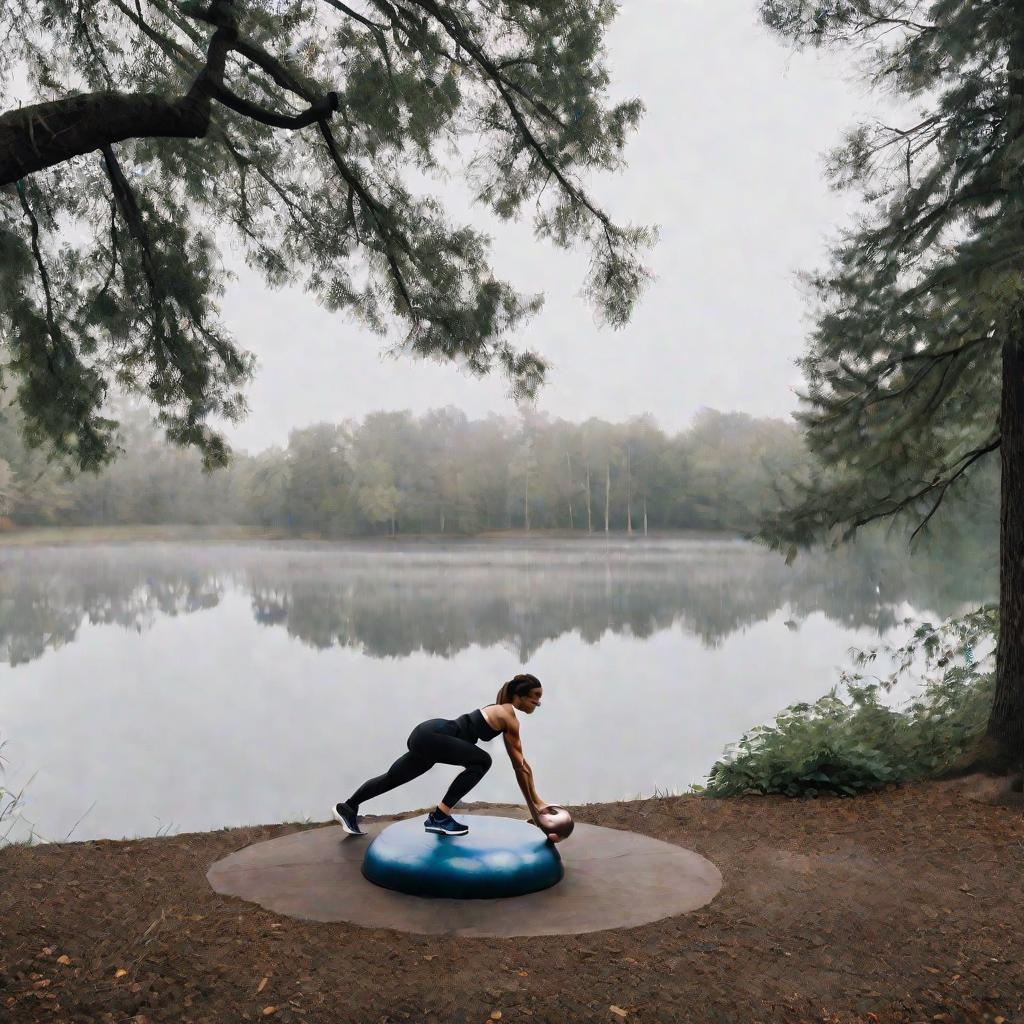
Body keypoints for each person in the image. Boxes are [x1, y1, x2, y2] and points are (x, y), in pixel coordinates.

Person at [332, 673, 562, 841]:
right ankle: (440, 817)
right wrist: (535, 808)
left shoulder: (501, 710)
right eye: (535, 696)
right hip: (434, 735)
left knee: (392, 778)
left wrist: (538, 801)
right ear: (518, 696)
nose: (539, 702)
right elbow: (519, 768)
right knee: (482, 761)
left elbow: (523, 765)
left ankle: (348, 807)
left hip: (428, 735)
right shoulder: (508, 715)